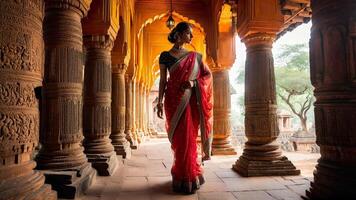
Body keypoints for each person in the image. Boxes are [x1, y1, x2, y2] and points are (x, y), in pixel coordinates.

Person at [157, 21, 213, 194]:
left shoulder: (195, 56)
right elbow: (163, 80)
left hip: (188, 101)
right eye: (189, 33)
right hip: (172, 101)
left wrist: (193, 82)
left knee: (188, 138)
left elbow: (207, 75)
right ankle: (182, 175)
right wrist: (159, 101)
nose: (191, 36)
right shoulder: (165, 56)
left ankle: (188, 176)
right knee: (178, 140)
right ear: (179, 34)